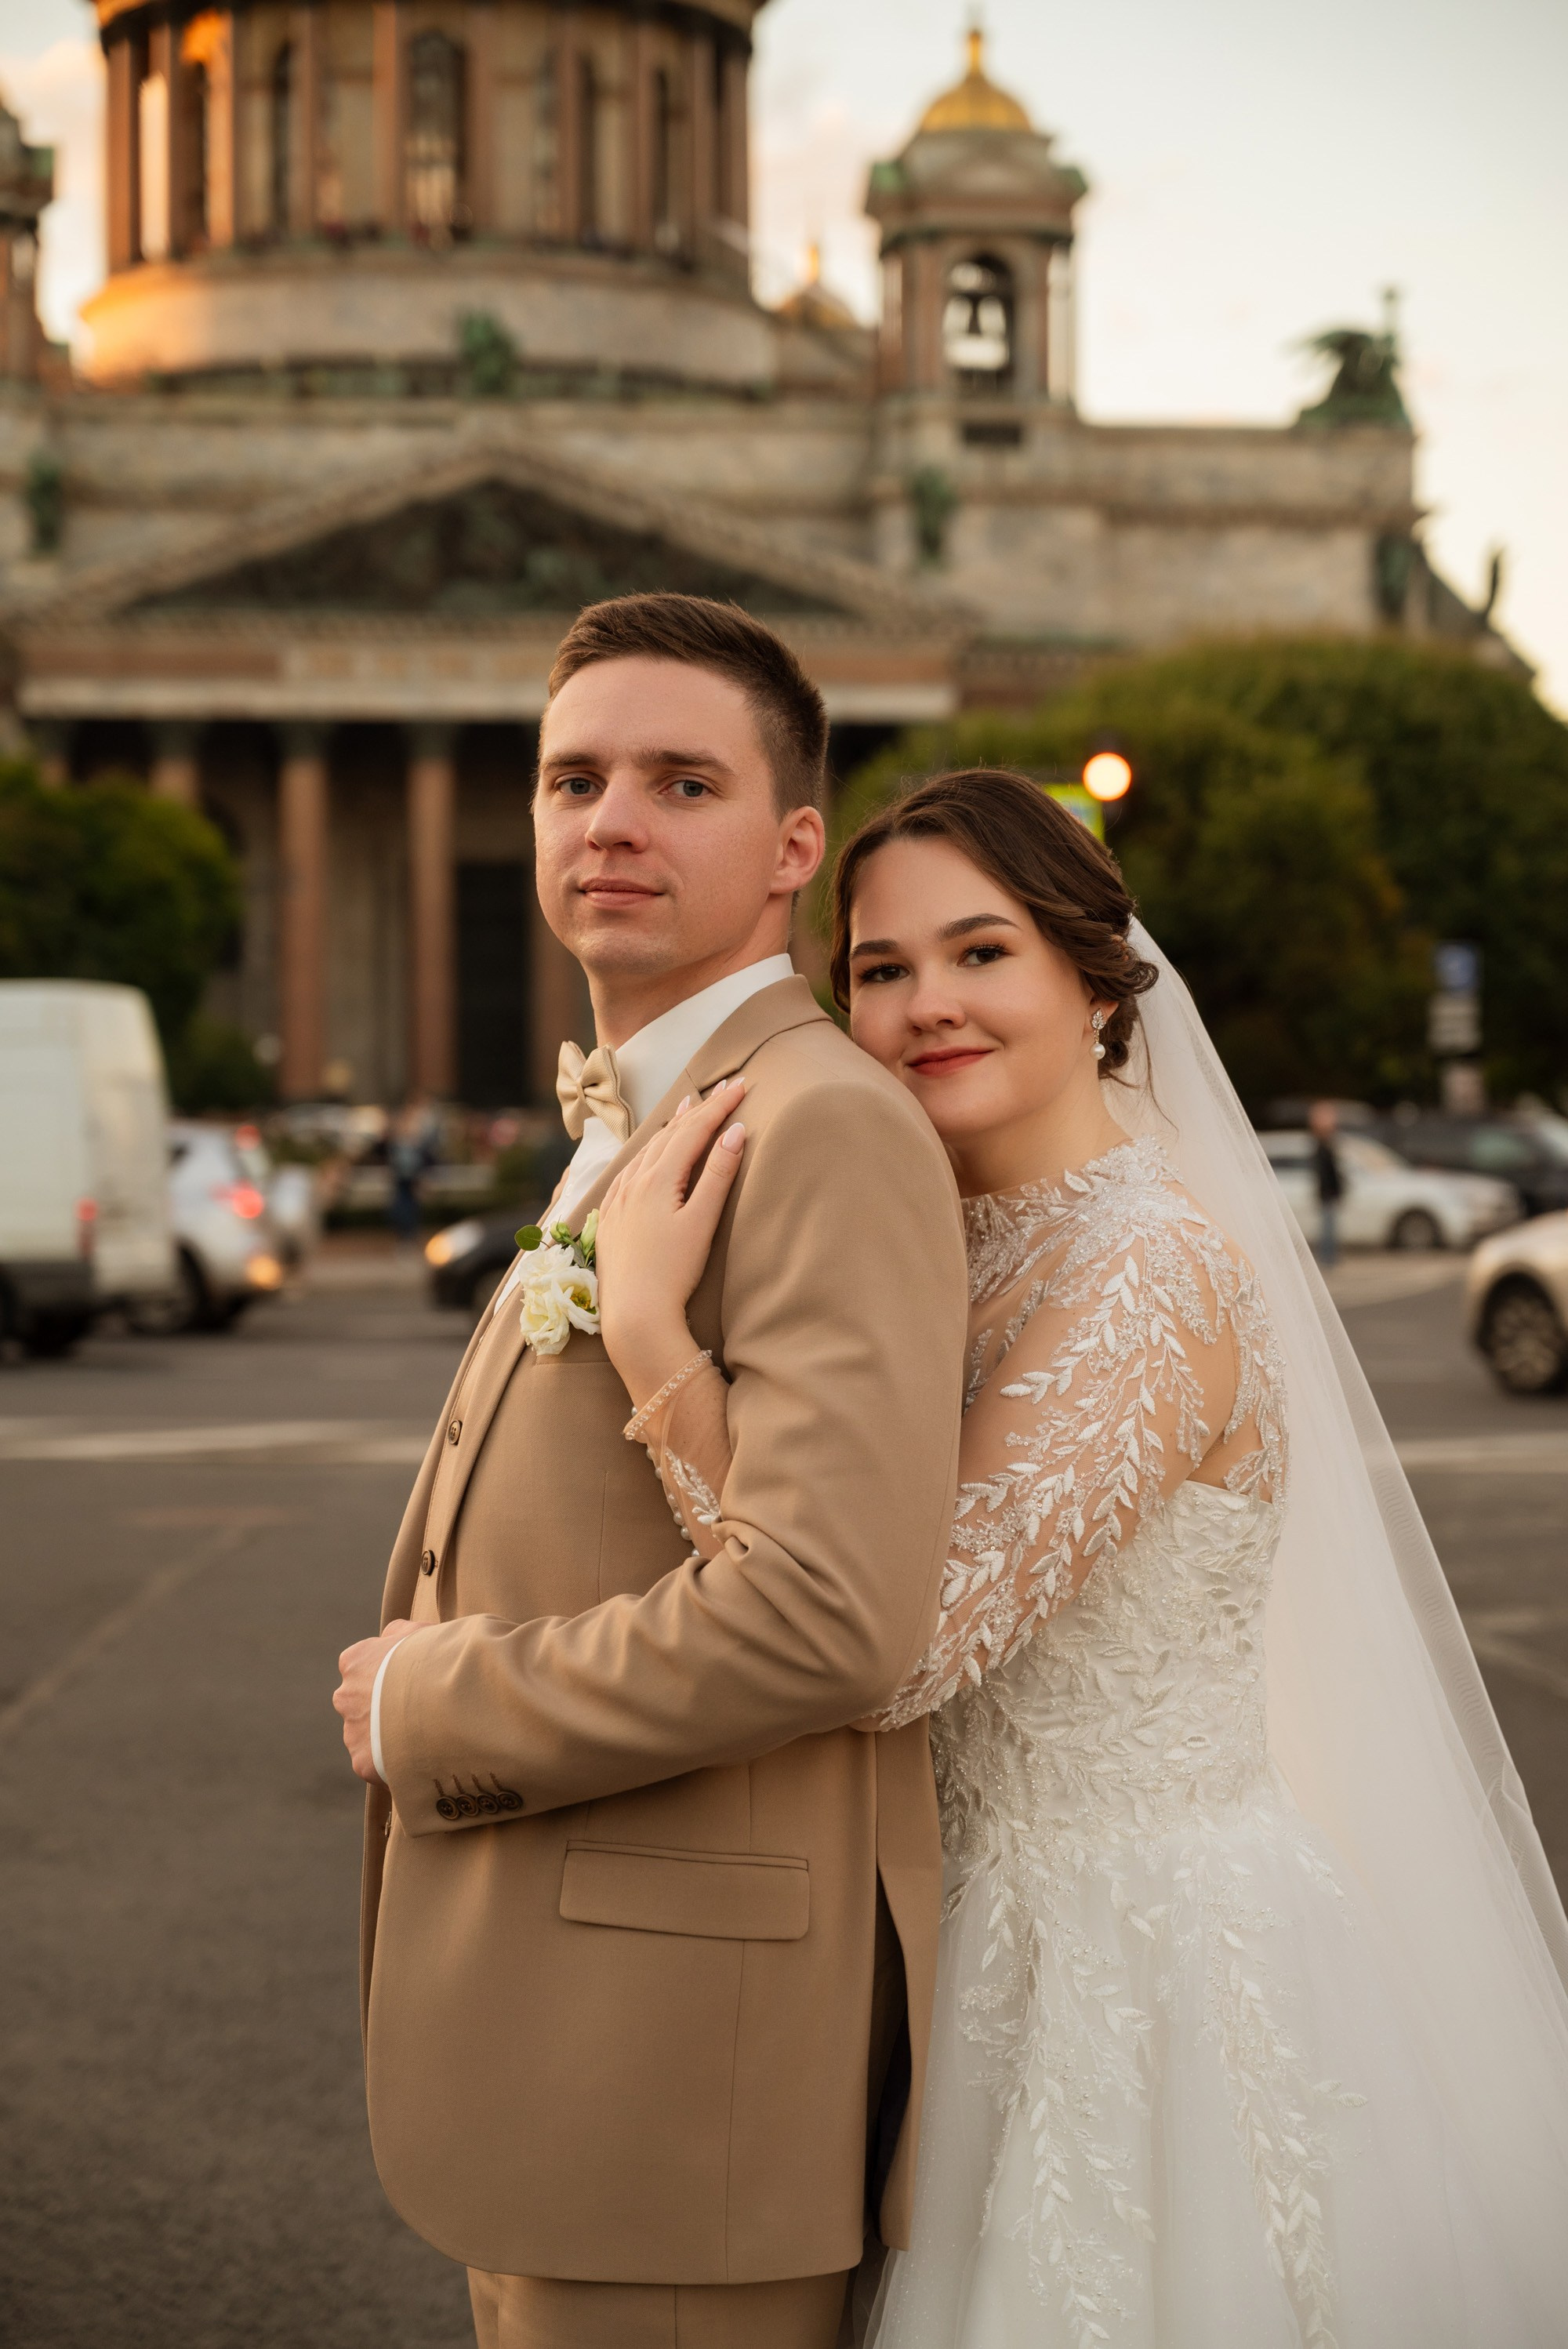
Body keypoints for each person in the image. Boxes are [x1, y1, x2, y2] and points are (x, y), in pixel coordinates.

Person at [601, 767, 1568, 2347]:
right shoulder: (944, 1234)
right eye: (882, 967)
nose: (927, 1005)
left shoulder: (1147, 1272)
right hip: (948, 1929)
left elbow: (892, 1647)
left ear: (1096, 980)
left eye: (982, 953)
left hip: (1133, 1971)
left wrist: (650, 1336)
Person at [332, 594, 969, 2349]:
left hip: (684, 2077)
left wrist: (432, 1706)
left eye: (679, 781)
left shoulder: (819, 1121)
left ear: (790, 849)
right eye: (571, 779)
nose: (607, 820)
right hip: (575, 2048)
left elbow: (832, 1617)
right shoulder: (639, 1110)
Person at [1308, 1097, 1345, 1268]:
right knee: (1328, 1228)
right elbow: (1328, 1174)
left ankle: (1329, 1257)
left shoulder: (1325, 1147)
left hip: (1327, 1193)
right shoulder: (1323, 1148)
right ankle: (1328, 1258)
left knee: (1329, 1227)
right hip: (1327, 1193)